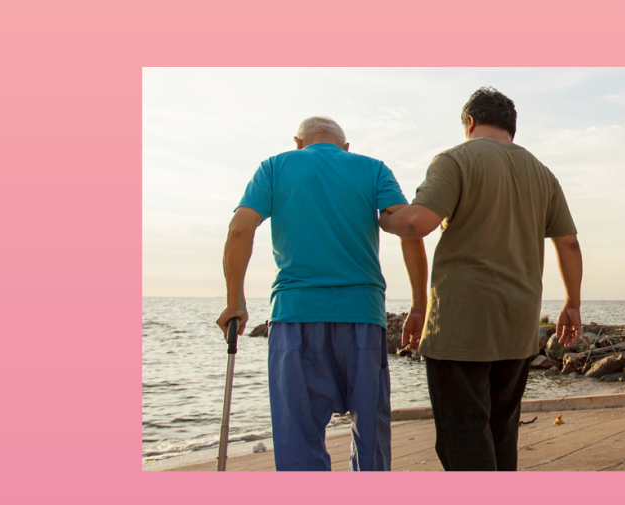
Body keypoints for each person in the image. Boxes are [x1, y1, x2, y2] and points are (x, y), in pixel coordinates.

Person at [379, 88, 584, 471]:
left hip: (460, 324)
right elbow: (569, 243)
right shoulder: (543, 173)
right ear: (511, 127)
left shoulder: (456, 159)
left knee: (463, 438)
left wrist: (385, 218)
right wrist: (572, 303)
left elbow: (415, 224)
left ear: (470, 122)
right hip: (519, 324)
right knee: (501, 431)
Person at [216, 116, 427, 471]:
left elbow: (239, 229)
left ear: (298, 143)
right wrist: (419, 305)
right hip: (362, 315)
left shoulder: (274, 167)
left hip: (294, 315)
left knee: (298, 440)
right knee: (370, 437)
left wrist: (234, 301)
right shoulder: (373, 169)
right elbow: (409, 228)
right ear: (346, 147)